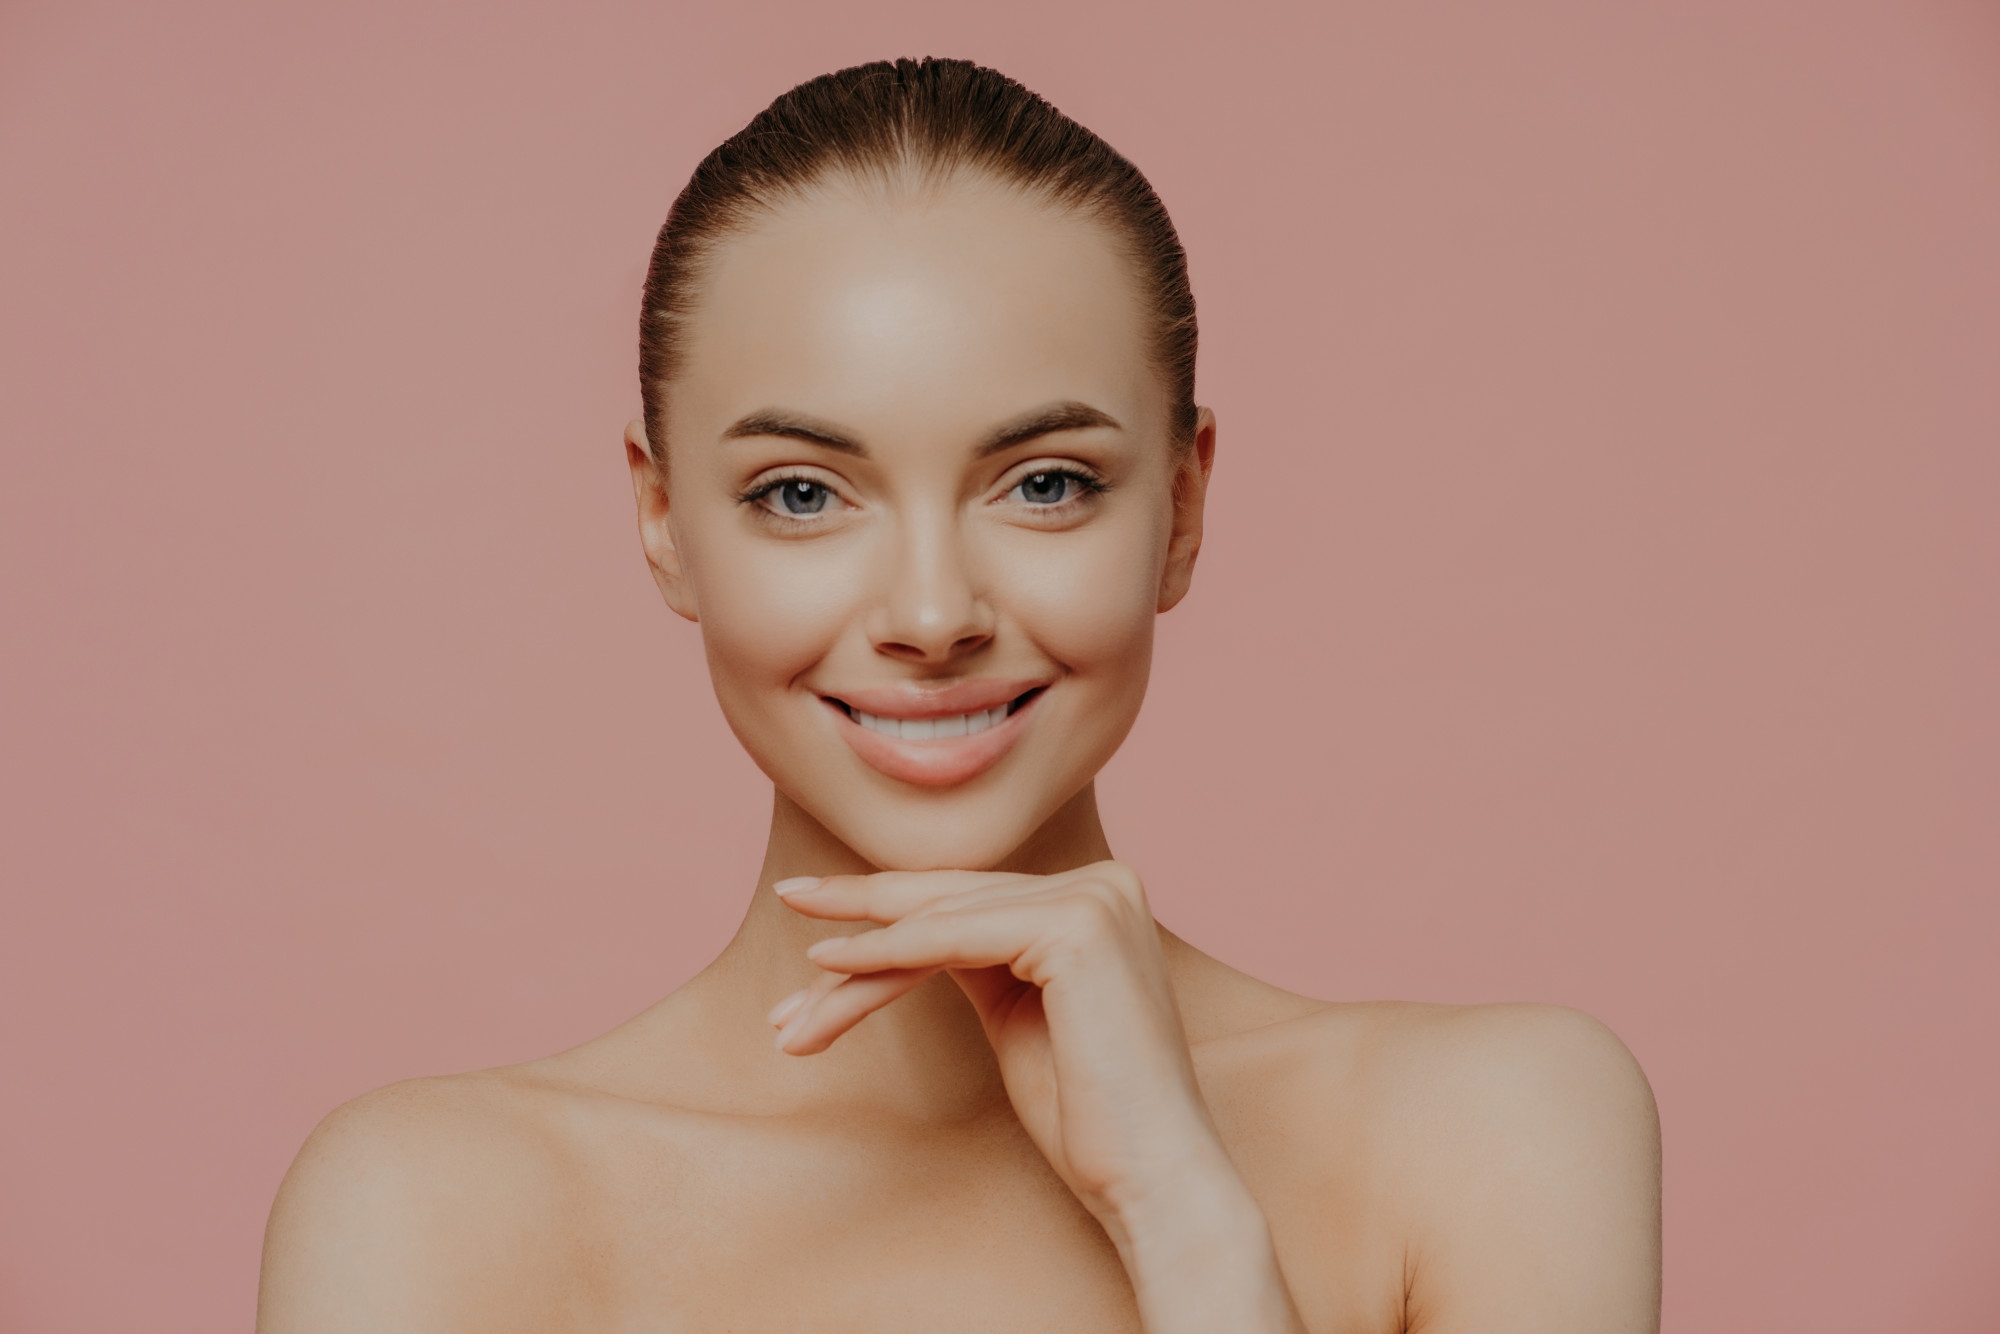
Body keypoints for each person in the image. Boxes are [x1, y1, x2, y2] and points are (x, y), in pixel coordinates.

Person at [256, 57, 1661, 1333]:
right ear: (662, 518)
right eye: (801, 494)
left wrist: (1186, 1216)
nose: (933, 616)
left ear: (1179, 508)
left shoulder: (1496, 1135)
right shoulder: (434, 1217)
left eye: (1045, 483)